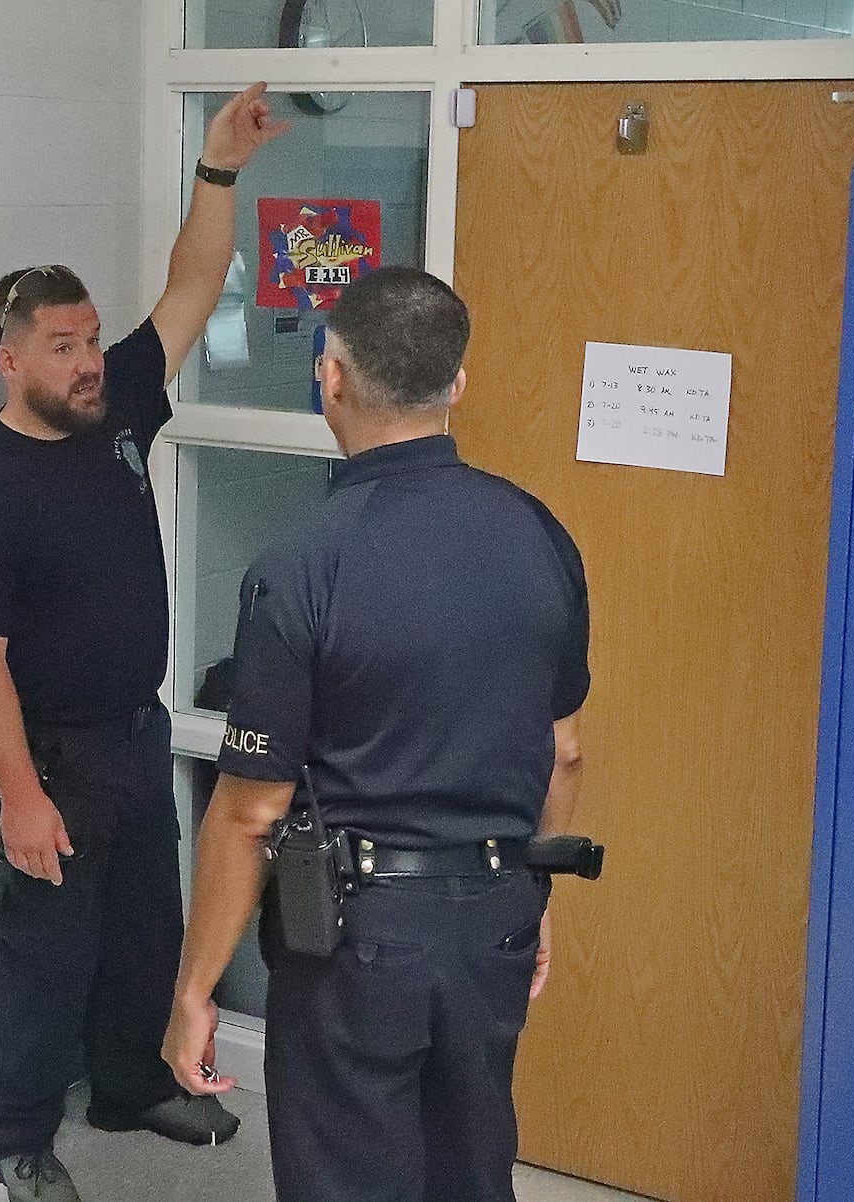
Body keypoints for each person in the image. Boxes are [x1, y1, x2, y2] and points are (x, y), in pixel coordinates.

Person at [0, 84, 287, 1202]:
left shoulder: (119, 406)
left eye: (89, 339)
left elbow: (190, 286)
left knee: (144, 934)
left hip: (133, 734)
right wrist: (21, 793)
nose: (88, 360)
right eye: (62, 346)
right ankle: (18, 1136)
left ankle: (129, 1086)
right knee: (46, 954)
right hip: (54, 757)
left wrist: (218, 170)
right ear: (8, 357)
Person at [162, 267, 591, 1202]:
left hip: (355, 942)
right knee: (473, 1172)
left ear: (332, 377)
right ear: (457, 384)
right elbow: (563, 751)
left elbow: (250, 813)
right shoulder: (540, 536)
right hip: (495, 918)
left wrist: (196, 991)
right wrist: (534, 889)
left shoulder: (302, 565)